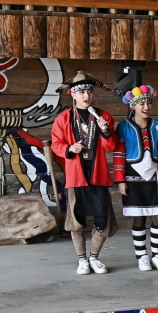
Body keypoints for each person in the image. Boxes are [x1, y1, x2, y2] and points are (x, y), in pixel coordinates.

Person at [49, 70, 123, 275]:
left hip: (98, 174)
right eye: (81, 92)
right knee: (77, 219)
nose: (86, 95)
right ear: (72, 94)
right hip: (76, 176)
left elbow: (111, 146)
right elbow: (56, 144)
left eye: (89, 91)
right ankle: (82, 260)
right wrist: (69, 149)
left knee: (102, 218)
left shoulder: (104, 116)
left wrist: (105, 130)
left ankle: (94, 258)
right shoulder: (63, 119)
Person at [116, 84, 158, 271]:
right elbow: (118, 154)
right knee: (138, 219)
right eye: (142, 103)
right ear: (133, 106)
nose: (146, 107)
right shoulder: (124, 127)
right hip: (132, 176)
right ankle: (142, 256)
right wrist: (120, 180)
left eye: (149, 103)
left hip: (154, 175)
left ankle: (157, 255)